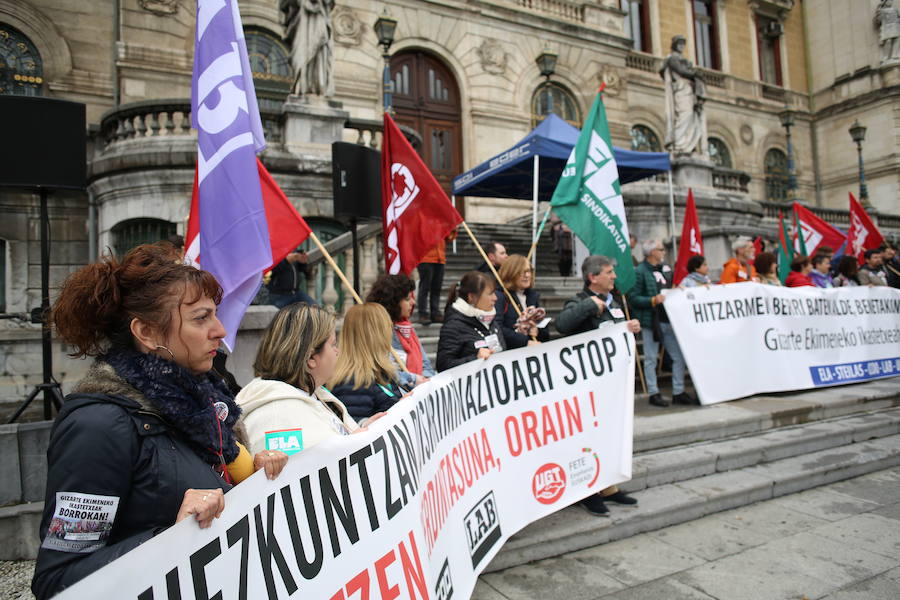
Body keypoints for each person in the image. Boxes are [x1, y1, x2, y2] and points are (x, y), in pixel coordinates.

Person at [32, 244, 287, 600]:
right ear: (148, 333)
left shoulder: (207, 406)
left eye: (216, 314)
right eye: (201, 318)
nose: (219, 329)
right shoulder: (98, 426)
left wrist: (258, 476)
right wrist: (171, 538)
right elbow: (58, 581)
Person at [555, 255, 640, 516]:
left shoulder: (615, 303)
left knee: (610, 435)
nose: (614, 276)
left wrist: (628, 327)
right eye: (609, 272)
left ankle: (609, 487)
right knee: (587, 440)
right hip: (587, 387)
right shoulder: (581, 301)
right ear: (593, 277)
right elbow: (562, 325)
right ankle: (587, 491)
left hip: (612, 385)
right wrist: (589, 307)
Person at [236, 303, 368, 456]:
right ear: (311, 358)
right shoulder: (277, 418)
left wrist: (363, 429)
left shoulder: (311, 393)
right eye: (333, 344)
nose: (337, 351)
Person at [629, 239, 690, 408]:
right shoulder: (640, 271)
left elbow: (671, 286)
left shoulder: (666, 270)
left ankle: (678, 391)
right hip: (651, 321)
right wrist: (652, 300)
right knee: (650, 358)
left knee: (678, 357)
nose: (664, 252)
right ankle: (653, 392)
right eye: (661, 249)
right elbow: (633, 298)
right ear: (651, 253)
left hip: (669, 319)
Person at [329, 303, 405, 423]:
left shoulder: (379, 372)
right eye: (387, 327)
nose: (390, 334)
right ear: (375, 335)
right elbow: (352, 429)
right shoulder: (353, 382)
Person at [366, 273, 434, 389]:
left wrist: (427, 379)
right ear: (393, 302)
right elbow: (383, 373)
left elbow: (425, 364)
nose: (413, 303)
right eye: (407, 299)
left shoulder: (408, 328)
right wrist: (413, 379)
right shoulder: (377, 332)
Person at [437, 271, 505, 371]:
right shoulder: (454, 326)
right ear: (472, 297)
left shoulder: (490, 320)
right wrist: (475, 359)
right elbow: (443, 365)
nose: (495, 298)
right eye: (490, 294)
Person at [660, 35, 707, 155]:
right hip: (681, 91)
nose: (681, 46)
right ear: (674, 45)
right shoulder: (672, 59)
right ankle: (680, 144)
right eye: (679, 43)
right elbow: (681, 71)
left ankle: (688, 146)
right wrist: (695, 73)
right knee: (683, 116)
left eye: (683, 44)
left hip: (688, 90)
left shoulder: (681, 60)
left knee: (691, 117)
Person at [494, 254, 549, 349]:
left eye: (528, 271)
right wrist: (525, 342)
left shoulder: (532, 296)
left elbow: (544, 331)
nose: (527, 275)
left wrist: (537, 331)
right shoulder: (500, 296)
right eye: (521, 272)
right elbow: (497, 328)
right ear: (510, 273)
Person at [417, 237, 449, 324]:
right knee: (425, 287)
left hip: (440, 258)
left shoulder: (440, 223)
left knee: (436, 288)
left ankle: (435, 313)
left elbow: (448, 237)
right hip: (425, 257)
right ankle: (423, 313)